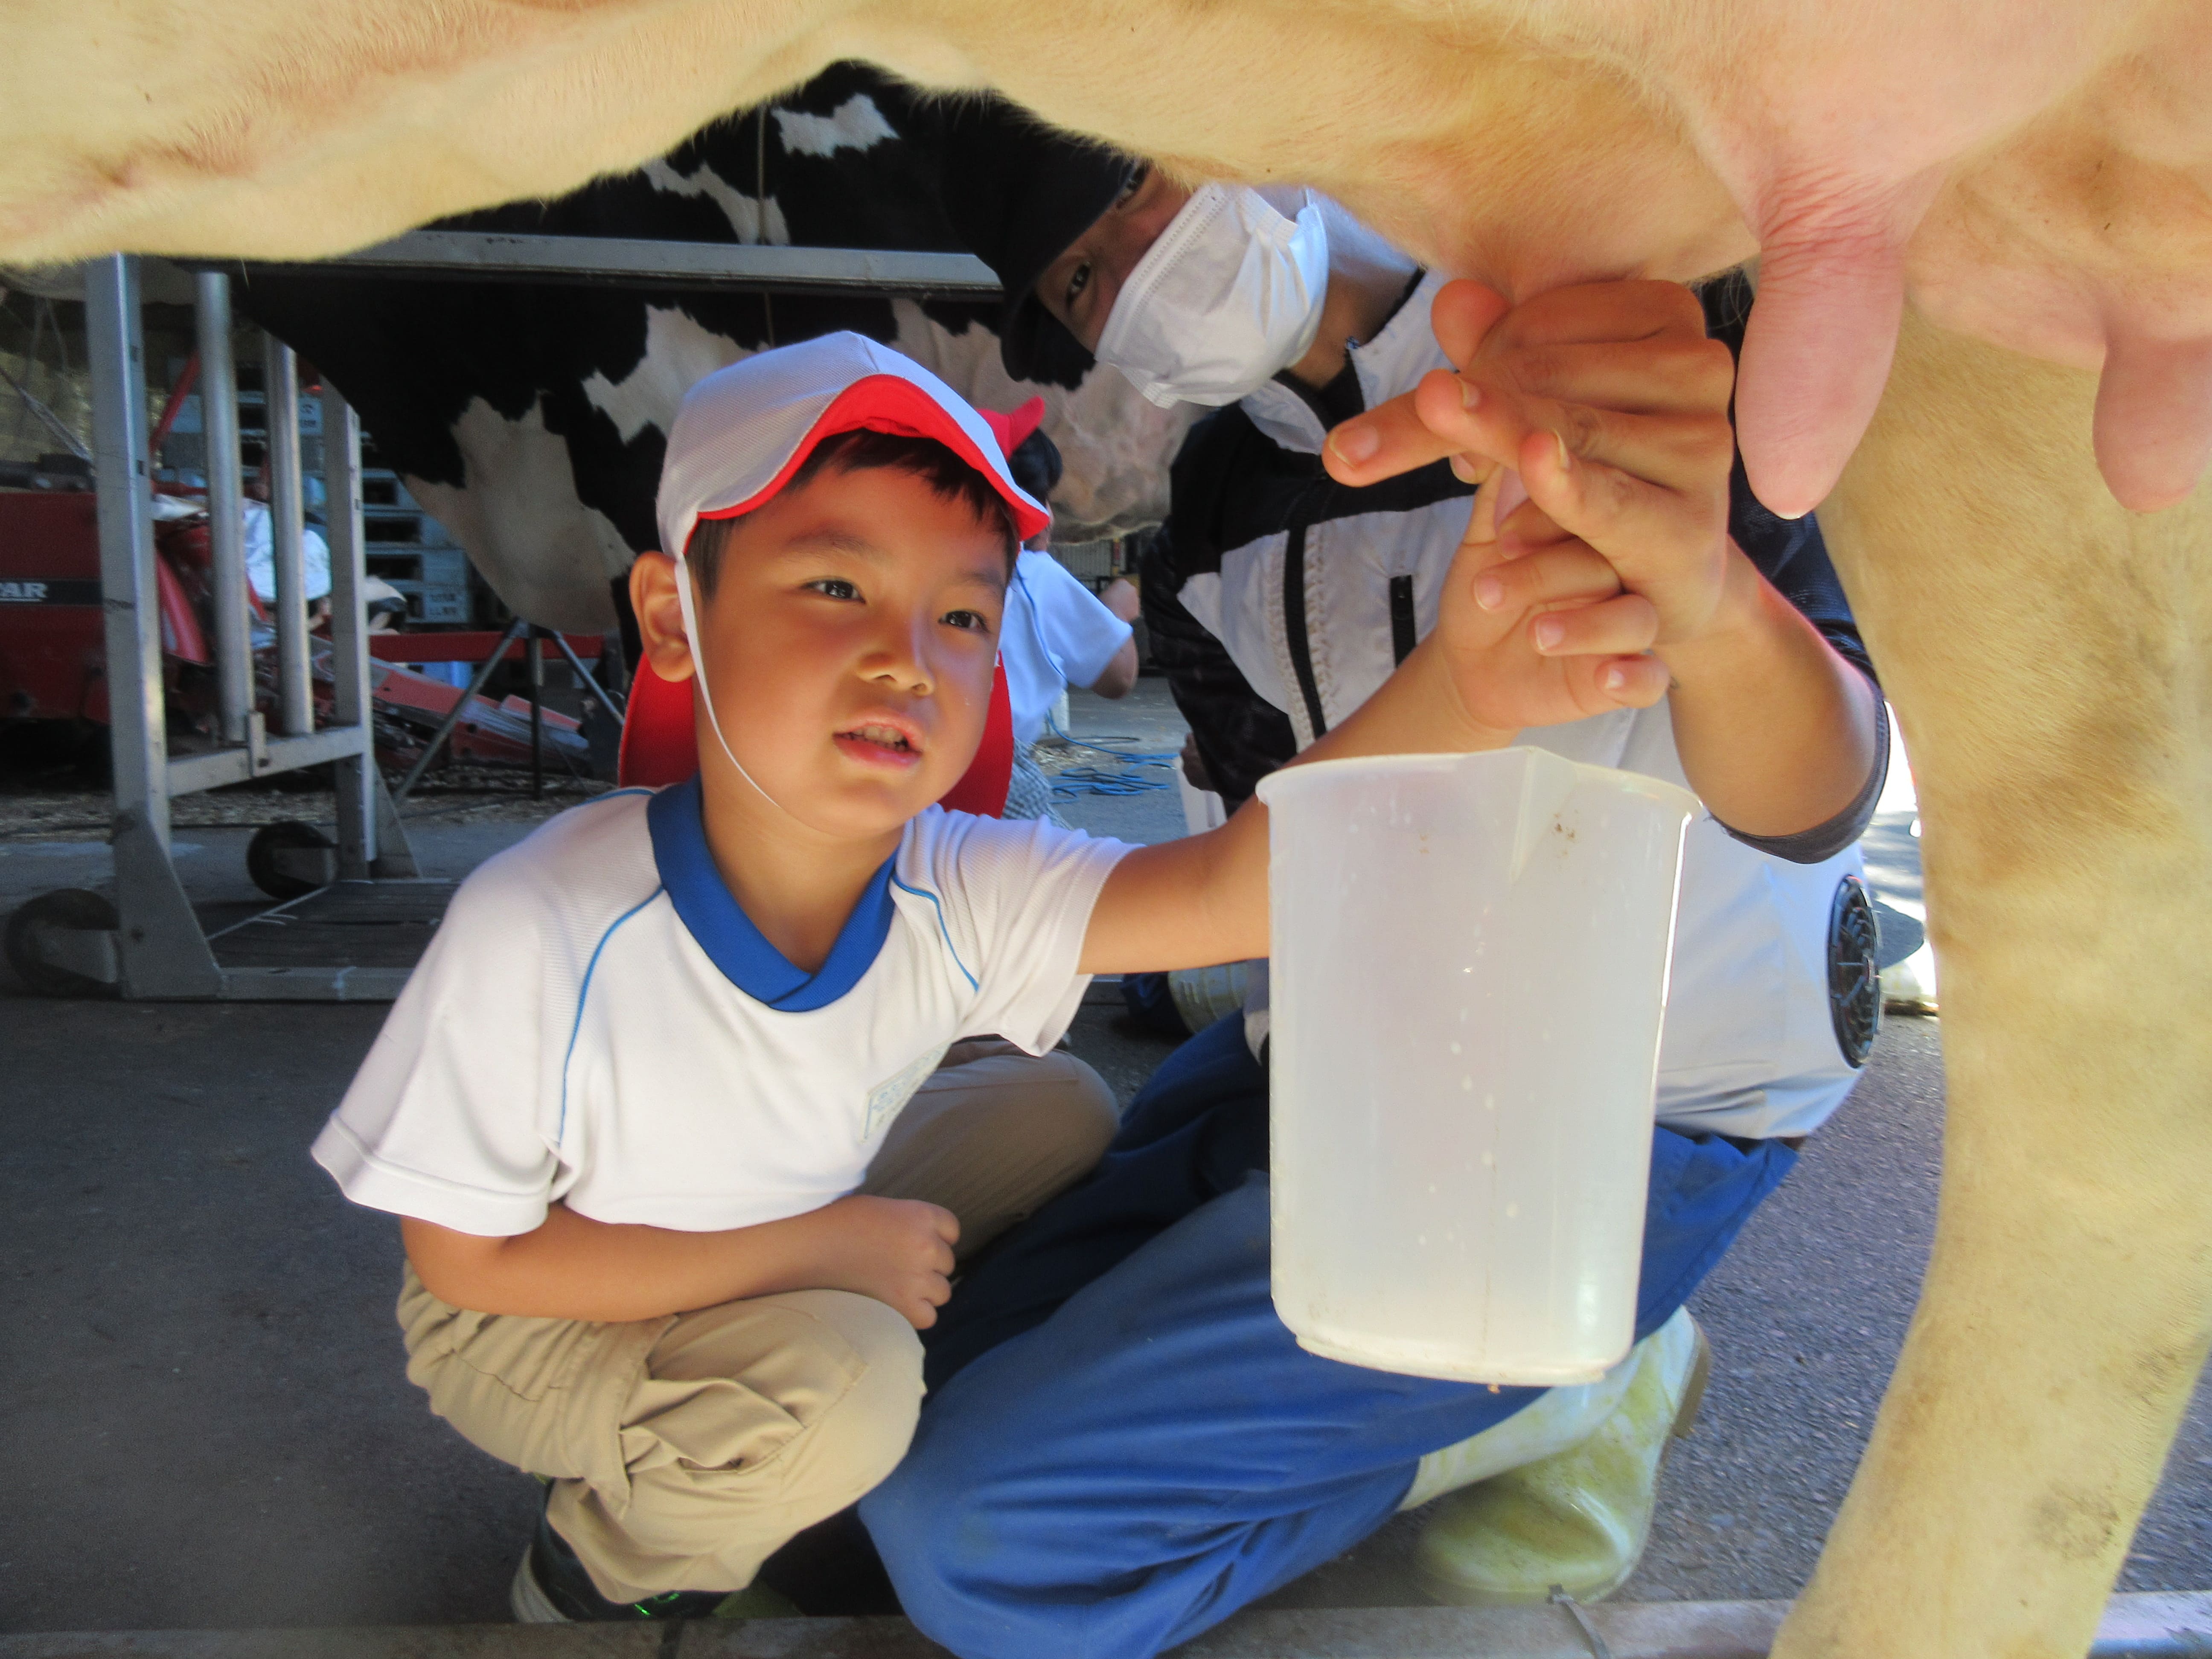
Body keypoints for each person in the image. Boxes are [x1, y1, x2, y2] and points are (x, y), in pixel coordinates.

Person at [307, 329, 1647, 1624]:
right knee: (855, 1394)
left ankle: (777, 1369)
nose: (907, 656)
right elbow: (473, 1264)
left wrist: (1469, 682)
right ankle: (595, 1566)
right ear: (675, 616)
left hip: (760, 1226)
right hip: (534, 1316)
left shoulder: (948, 880)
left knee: (1053, 1106)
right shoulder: (545, 923)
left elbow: (1233, 887)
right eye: (836, 588)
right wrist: (826, 1250)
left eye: (960, 614)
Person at [861, 150, 1889, 1651]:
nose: (1135, 266)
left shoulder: (1634, 335)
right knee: (874, 1415)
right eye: (1083, 275)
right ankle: (1431, 1373)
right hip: (1331, 1073)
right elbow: (1252, 871)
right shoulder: (1216, 507)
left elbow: (1819, 793)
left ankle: (1563, 1384)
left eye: (1138, 184)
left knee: (978, 1540)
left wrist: (1709, 589)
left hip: (1628, 1105)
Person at [980, 399, 1140, 822]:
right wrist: (1117, 609)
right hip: (995, 776)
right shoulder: (1030, 574)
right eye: (1041, 499)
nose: (1049, 516)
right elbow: (1119, 677)